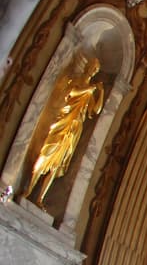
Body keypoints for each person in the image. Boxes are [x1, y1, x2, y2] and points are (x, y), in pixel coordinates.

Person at [25, 57, 106, 206]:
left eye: (96, 70)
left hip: (74, 129)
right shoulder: (77, 81)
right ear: (87, 66)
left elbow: (95, 110)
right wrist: (89, 89)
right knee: (45, 154)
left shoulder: (89, 93)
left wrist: (101, 93)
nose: (94, 71)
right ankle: (28, 190)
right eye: (93, 67)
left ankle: (40, 199)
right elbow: (71, 92)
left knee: (57, 164)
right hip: (63, 122)